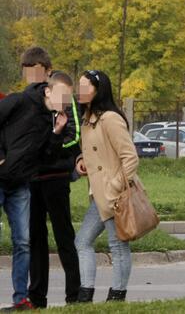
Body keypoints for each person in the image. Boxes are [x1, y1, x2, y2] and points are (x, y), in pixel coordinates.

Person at [0, 47, 68, 311]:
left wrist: (57, 133)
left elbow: (47, 156)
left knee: (23, 242)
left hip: (20, 186)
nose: (64, 101)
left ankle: (20, 299)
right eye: (60, 95)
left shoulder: (51, 119)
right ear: (48, 90)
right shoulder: (19, 101)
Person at [74, 70, 139, 302]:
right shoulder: (88, 118)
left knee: (118, 245)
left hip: (114, 195)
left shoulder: (110, 118)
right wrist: (81, 161)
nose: (79, 91)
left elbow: (130, 158)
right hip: (98, 195)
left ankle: (117, 295)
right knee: (82, 241)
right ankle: (85, 294)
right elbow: (95, 152)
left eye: (84, 87)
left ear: (97, 90)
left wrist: (113, 189)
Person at [28, 71, 82, 308]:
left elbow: (73, 138)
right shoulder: (32, 105)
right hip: (33, 179)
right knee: (35, 238)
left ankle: (74, 295)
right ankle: (37, 297)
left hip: (57, 178)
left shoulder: (68, 108)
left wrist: (54, 140)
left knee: (64, 236)